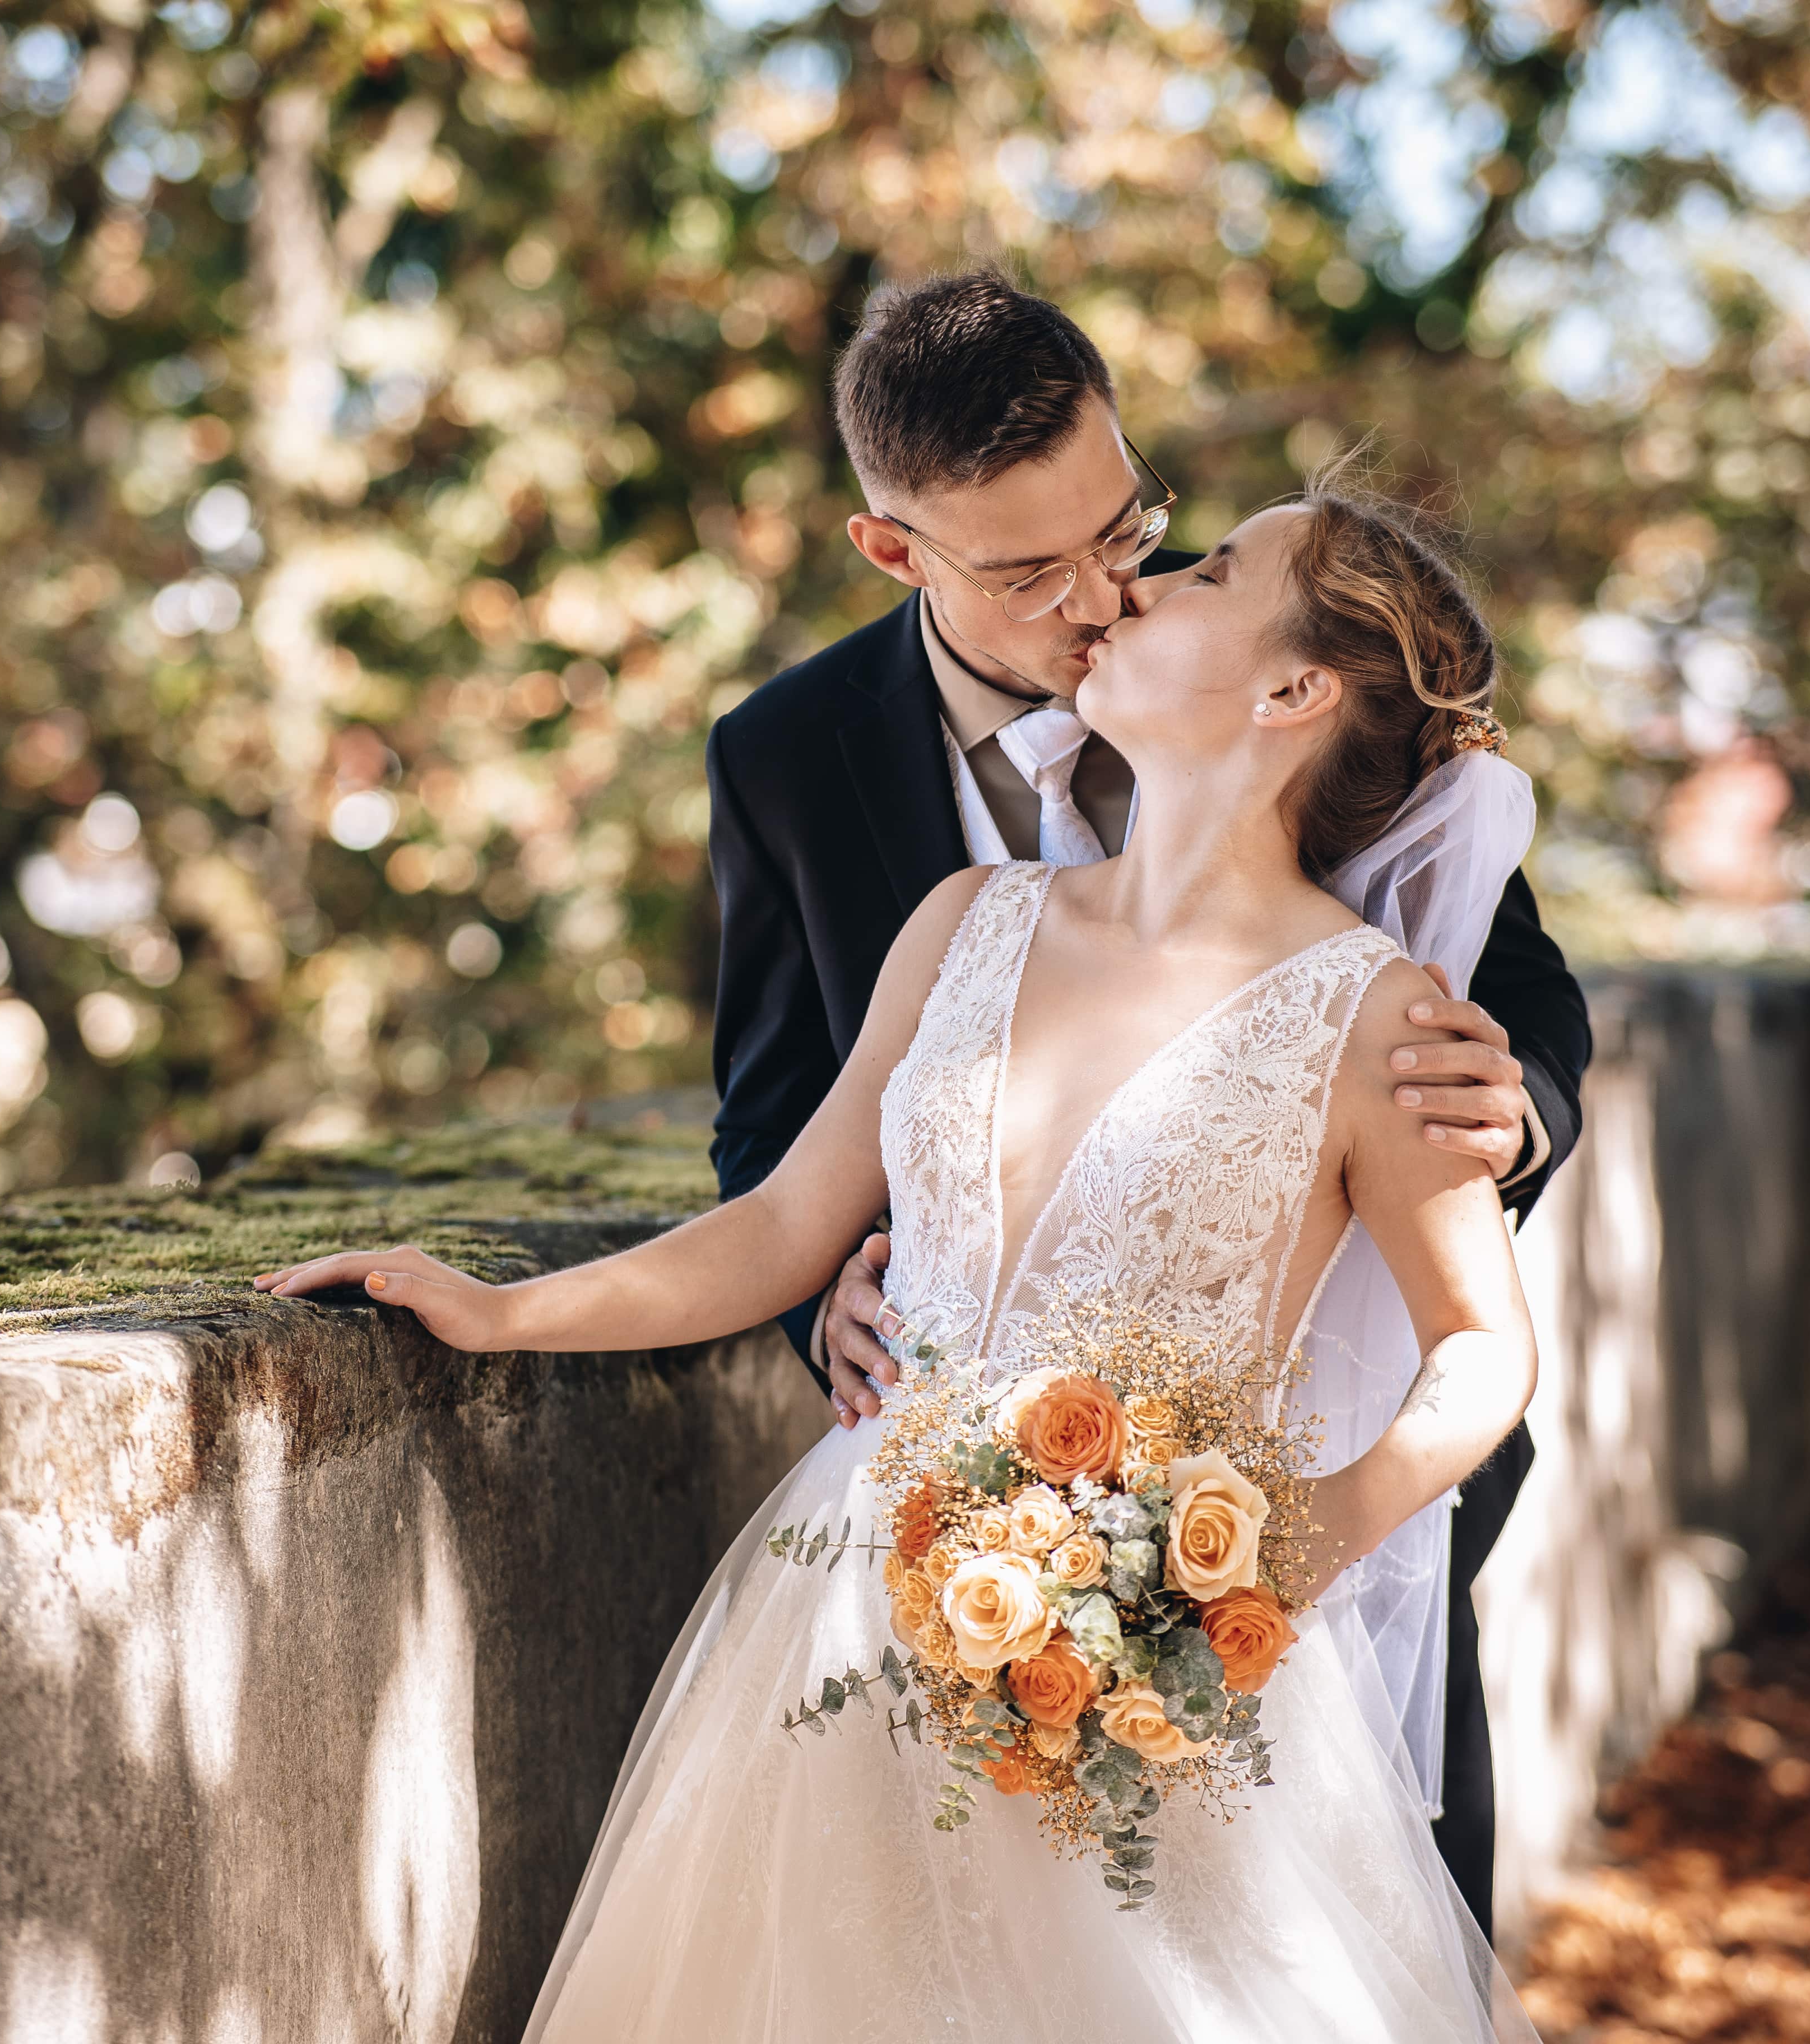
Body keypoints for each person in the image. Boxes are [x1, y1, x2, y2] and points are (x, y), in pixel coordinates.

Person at [261, 467, 1547, 2040]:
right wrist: (500, 1310)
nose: (1135, 587)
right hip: (851, 1615)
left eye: (1207, 572)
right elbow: (788, 1226)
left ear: (1293, 687)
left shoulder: (1382, 1015)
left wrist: (1296, 1541)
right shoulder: (965, 922)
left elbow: (1483, 1347)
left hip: (1158, 1641)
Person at [702, 273, 1589, 1930]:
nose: (1108, 593)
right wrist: (826, 1295)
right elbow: (773, 1126)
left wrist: (1499, 1112)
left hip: (1301, 1492)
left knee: (1366, 1935)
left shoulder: (1249, 647)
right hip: (948, 1531)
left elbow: (1513, 984)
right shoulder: (785, 756)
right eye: (1034, 574)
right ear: (899, 552)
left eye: (1131, 526)